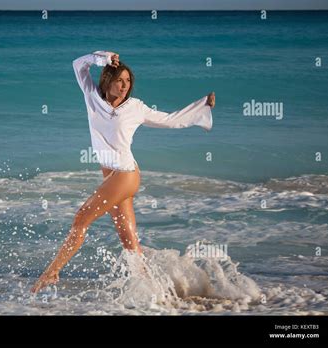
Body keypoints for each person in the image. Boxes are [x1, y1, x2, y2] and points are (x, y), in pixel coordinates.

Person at [31, 51, 215, 293]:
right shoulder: (92, 96)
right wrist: (102, 58)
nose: (125, 85)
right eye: (120, 80)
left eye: (128, 81)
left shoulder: (136, 107)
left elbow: (170, 120)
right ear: (107, 80)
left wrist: (201, 107)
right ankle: (157, 293)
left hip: (125, 174)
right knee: (129, 242)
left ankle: (52, 272)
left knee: (80, 219)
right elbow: (78, 65)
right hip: (112, 176)